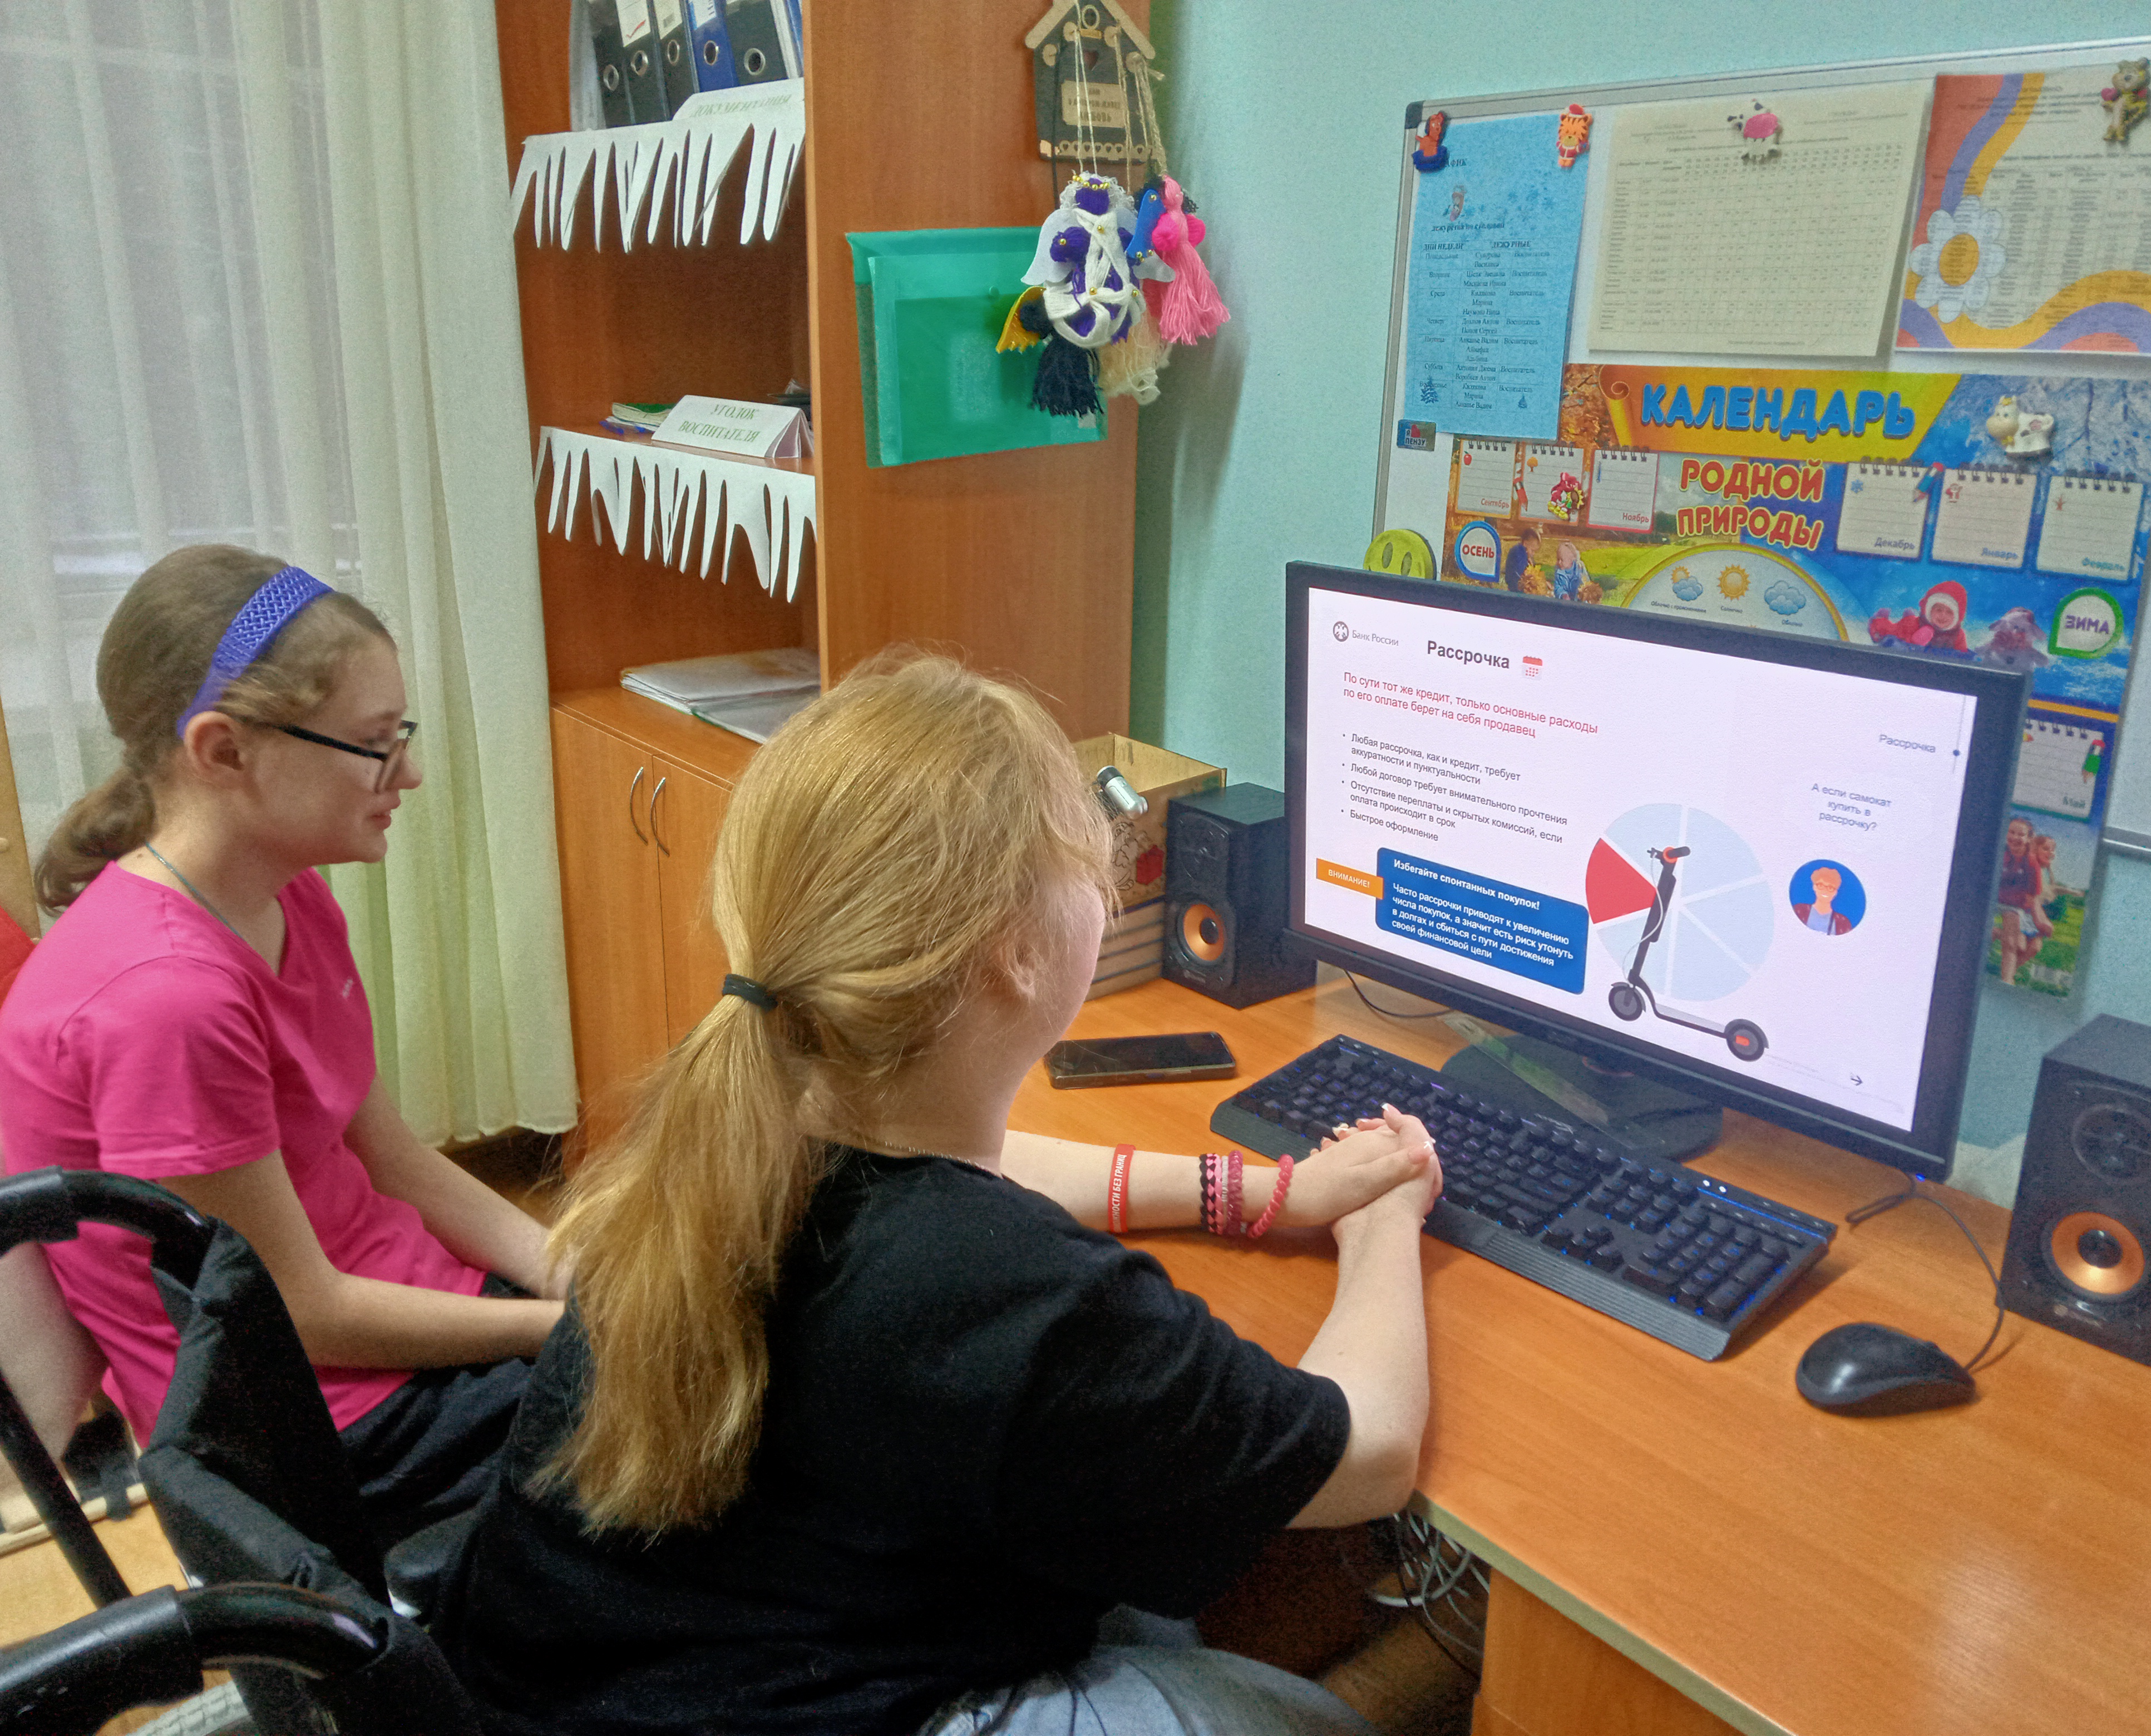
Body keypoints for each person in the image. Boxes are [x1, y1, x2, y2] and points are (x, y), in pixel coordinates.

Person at [439, 654, 1443, 1736]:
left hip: (542, 1687)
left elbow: (982, 1181)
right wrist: (1383, 1218)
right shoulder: (1019, 1296)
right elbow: (1371, 1455)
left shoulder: (729, 1131)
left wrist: (1259, 1191)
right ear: (1017, 953)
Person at [0, 545, 564, 1546]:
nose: (409, 773)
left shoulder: (288, 895)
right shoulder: (165, 1001)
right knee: (722, 1443)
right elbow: (299, 1312)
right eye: (375, 744)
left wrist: (565, 1268)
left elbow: (392, 1160)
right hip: (315, 1423)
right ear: (222, 751)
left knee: (715, 1355)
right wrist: (559, 1329)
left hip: (384, 1329)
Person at [1994, 816, 2040, 984]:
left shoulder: (2031, 862)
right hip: (1992, 899)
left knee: (2013, 943)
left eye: (2021, 835)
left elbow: (2033, 894)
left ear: (2029, 838)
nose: (2015, 837)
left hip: (2014, 905)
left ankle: (2007, 980)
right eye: (2011, 832)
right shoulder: (1999, 851)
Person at [1791, 863, 1853, 935]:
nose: (1825, 891)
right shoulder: (1799, 910)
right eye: (1820, 886)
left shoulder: (1843, 923)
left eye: (1830, 888)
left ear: (1835, 892)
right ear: (1814, 887)